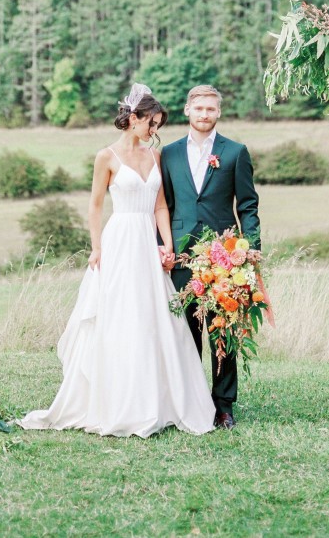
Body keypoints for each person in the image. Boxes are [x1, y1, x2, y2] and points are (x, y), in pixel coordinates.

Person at [18, 84, 215, 438]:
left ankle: (160, 400)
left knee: (153, 316)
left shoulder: (155, 158)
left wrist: (167, 246)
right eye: (150, 124)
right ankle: (115, 399)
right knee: (120, 314)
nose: (154, 131)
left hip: (147, 241)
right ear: (133, 119)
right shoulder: (105, 157)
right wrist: (96, 248)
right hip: (120, 238)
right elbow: (95, 206)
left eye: (157, 125)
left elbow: (160, 206)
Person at [160, 84, 261, 430]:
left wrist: (250, 247)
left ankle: (223, 406)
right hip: (180, 257)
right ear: (187, 110)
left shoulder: (235, 152)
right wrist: (162, 246)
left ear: (219, 113)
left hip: (224, 255)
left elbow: (247, 205)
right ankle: (188, 402)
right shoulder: (169, 154)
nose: (204, 114)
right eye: (199, 108)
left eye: (211, 109)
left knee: (223, 332)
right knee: (183, 332)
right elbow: (165, 206)